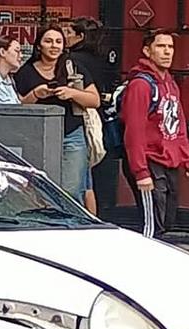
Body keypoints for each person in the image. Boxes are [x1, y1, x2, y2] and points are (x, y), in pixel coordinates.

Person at [120, 29, 189, 238]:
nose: (167, 52)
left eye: (170, 47)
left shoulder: (170, 83)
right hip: (148, 160)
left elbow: (178, 123)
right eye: (161, 46)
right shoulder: (141, 85)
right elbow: (134, 130)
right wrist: (141, 171)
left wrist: (187, 159)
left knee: (166, 219)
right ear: (147, 51)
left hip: (169, 160)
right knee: (152, 225)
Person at [15, 24, 101, 204]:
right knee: (39, 189)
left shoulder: (73, 66)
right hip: (37, 137)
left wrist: (73, 94)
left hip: (72, 134)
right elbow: (18, 106)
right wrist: (37, 94)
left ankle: (72, 226)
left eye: (58, 41)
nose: (54, 46)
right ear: (39, 45)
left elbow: (95, 100)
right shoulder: (26, 71)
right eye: (48, 41)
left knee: (73, 189)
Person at [64, 16, 111, 215]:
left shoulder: (74, 61)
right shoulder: (101, 58)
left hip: (81, 117)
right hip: (96, 117)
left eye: (68, 33)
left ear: (80, 36)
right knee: (87, 180)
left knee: (81, 182)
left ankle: (85, 220)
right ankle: (93, 219)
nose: (64, 37)